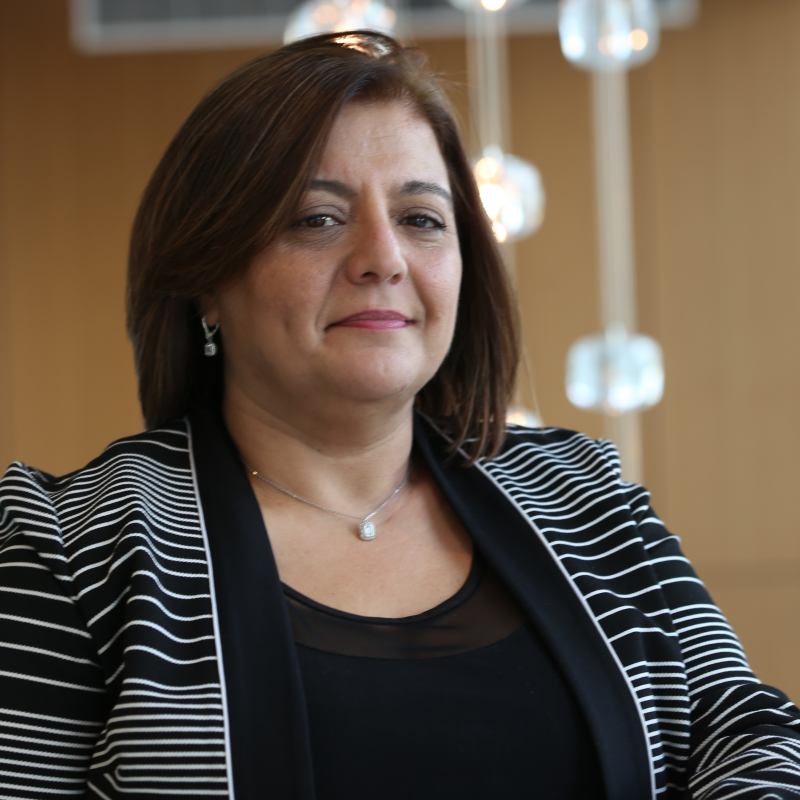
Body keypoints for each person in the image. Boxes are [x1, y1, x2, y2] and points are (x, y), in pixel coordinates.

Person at [0, 30, 798, 800]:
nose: (383, 258)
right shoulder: (68, 546)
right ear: (207, 279)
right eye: (318, 218)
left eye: (421, 219)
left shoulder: (586, 496)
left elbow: (752, 734)